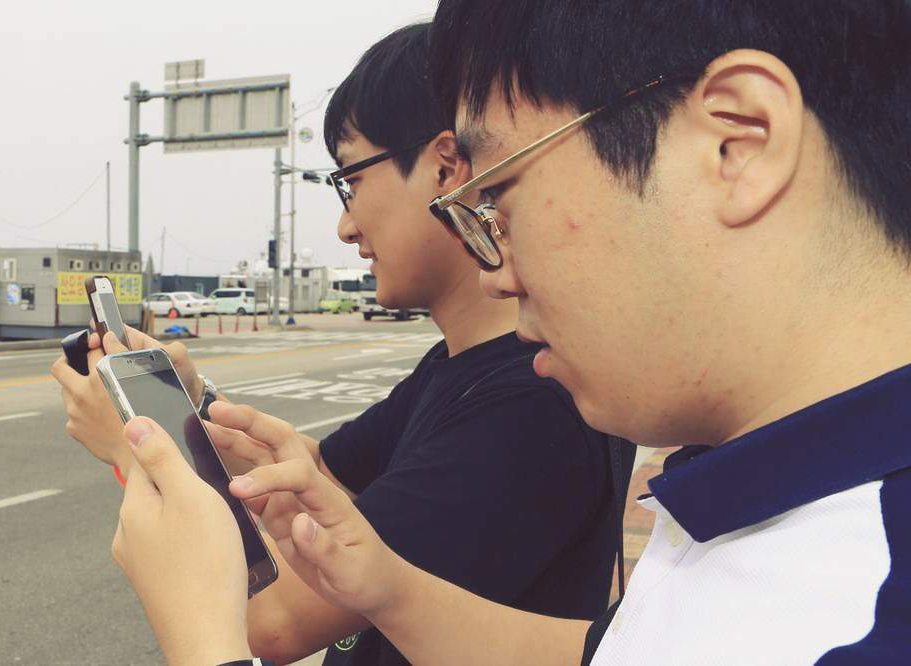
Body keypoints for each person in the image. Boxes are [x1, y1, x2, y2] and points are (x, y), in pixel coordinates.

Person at [104, 0, 911, 664]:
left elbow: (271, 627)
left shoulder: (865, 618)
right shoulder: (770, 505)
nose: (495, 267)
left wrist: (204, 636)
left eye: (497, 198)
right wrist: (385, 586)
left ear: (737, 142)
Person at [52, 21, 633, 666]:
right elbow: (316, 480)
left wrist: (134, 447)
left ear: (447, 168)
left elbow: (269, 621)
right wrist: (188, 409)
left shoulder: (529, 403)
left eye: (350, 181)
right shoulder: (456, 367)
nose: (346, 225)